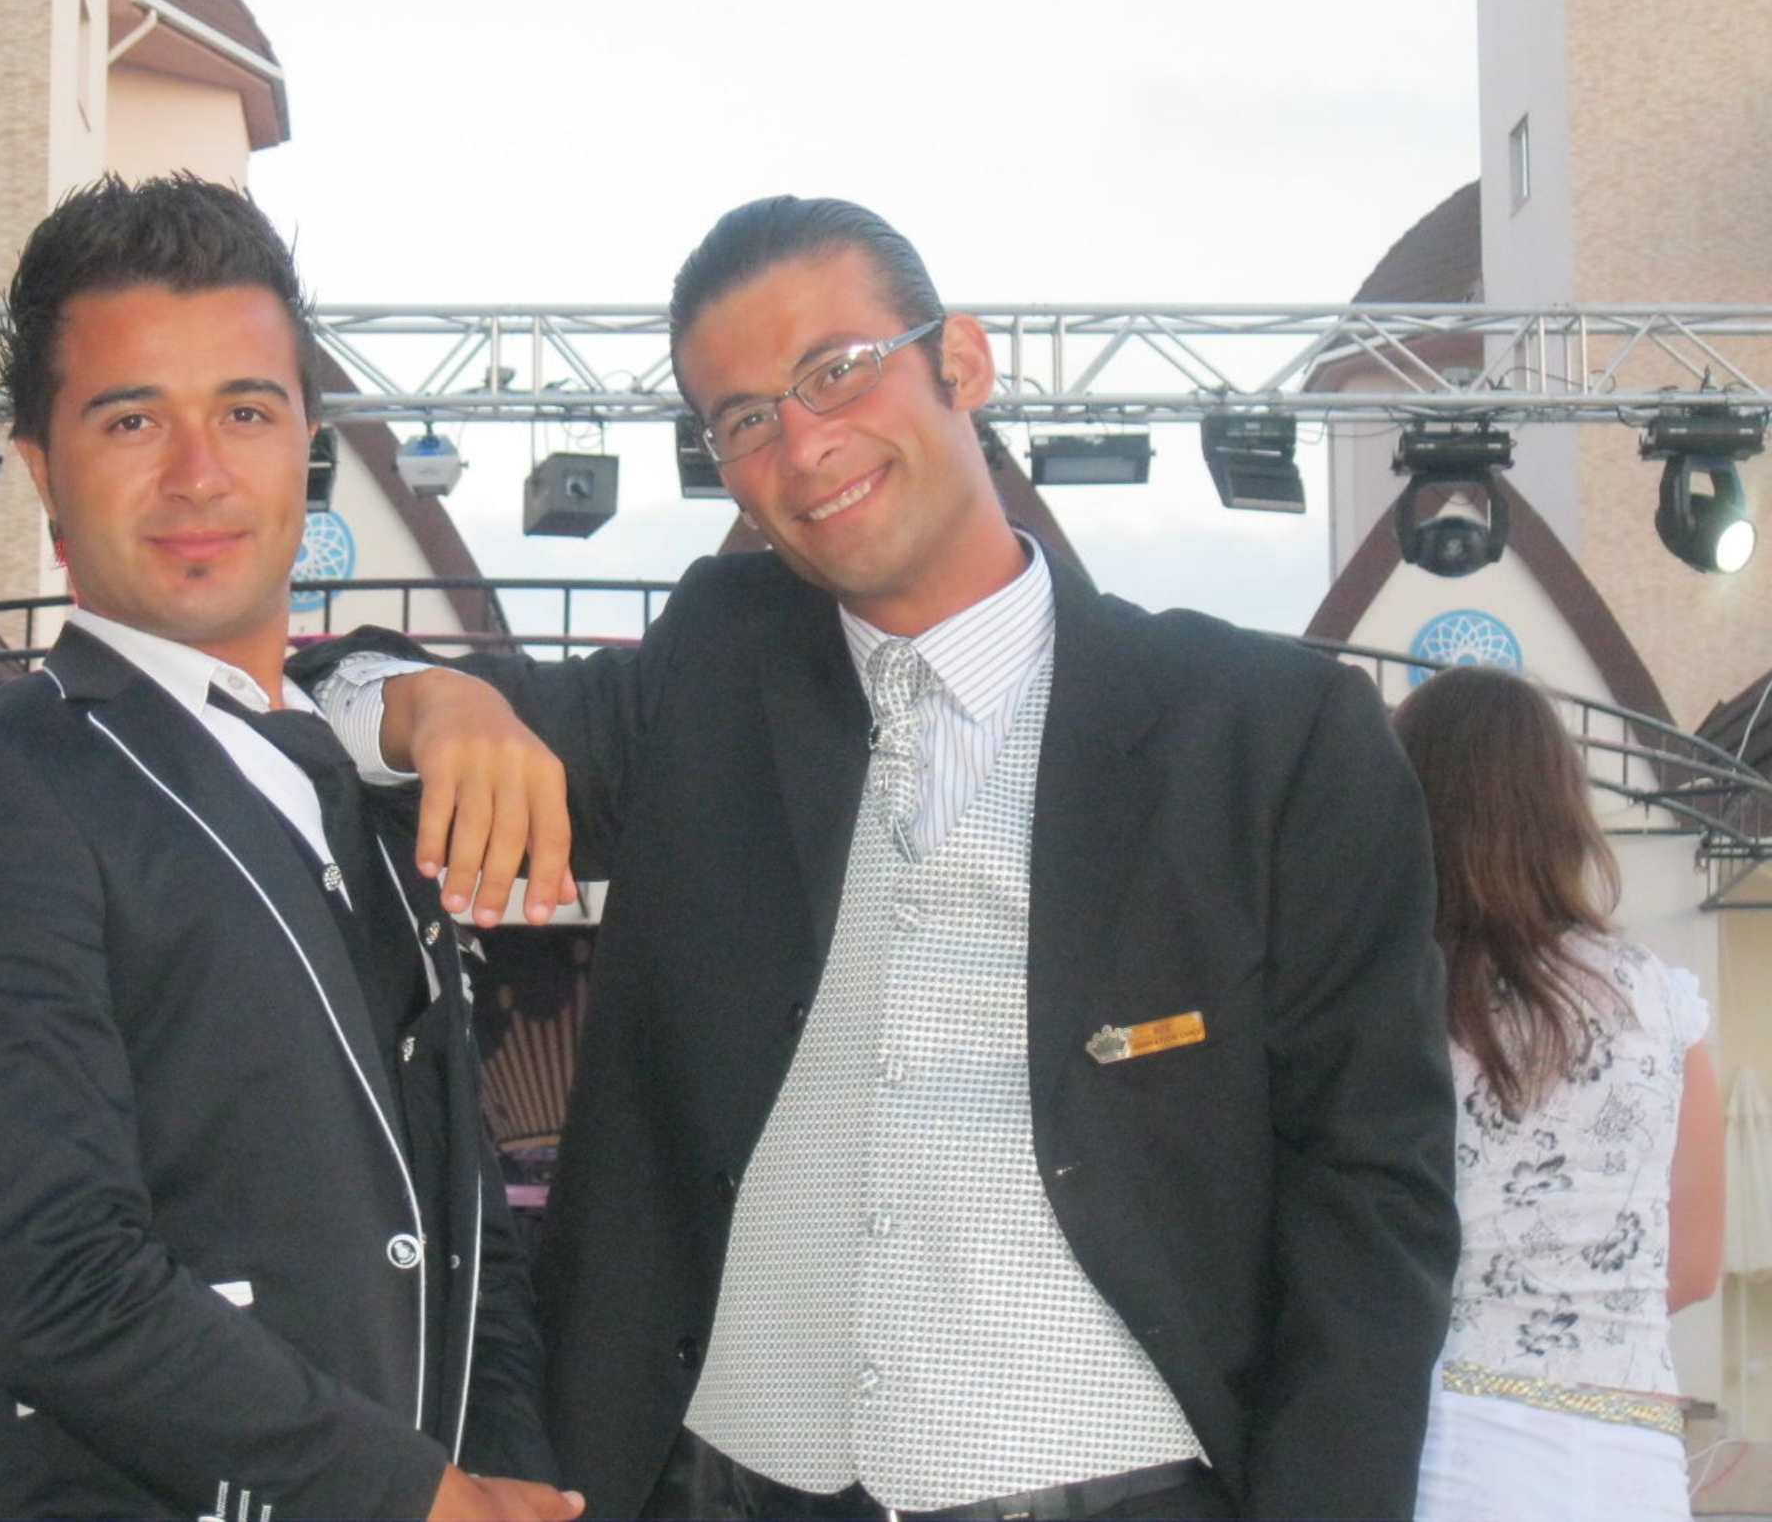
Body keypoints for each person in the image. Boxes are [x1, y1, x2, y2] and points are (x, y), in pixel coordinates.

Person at [303, 195, 1462, 1520]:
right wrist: (429, 704)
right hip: (715, 1486)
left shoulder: (1266, 733)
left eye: (837, 371)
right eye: (745, 419)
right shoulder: (713, 672)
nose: (804, 444)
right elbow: (330, 710)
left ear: (960, 360)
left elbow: (1371, 1194)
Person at [0, 174, 578, 1522]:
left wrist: (514, 1481)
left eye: (245, 412)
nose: (198, 473)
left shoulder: (369, 783)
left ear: (307, 446)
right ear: (42, 470)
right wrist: (411, 1499)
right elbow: (48, 1276)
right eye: (132, 419)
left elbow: (460, 1232)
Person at [1391, 666, 1723, 1522]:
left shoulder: (1396, 1002)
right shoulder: (1662, 1002)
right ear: (1564, 810)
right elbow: (1692, 1267)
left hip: (1450, 1442)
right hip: (1633, 1455)